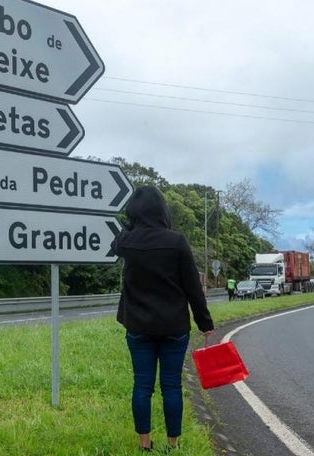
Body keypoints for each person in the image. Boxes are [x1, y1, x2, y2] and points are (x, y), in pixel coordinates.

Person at [111, 185, 215, 452]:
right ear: (162, 210)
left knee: (142, 385)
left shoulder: (127, 242)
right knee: (171, 386)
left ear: (134, 211)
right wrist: (205, 323)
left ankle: (144, 445)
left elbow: (114, 243)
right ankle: (173, 444)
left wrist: (130, 228)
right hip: (174, 327)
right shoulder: (177, 241)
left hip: (138, 327)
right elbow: (193, 287)